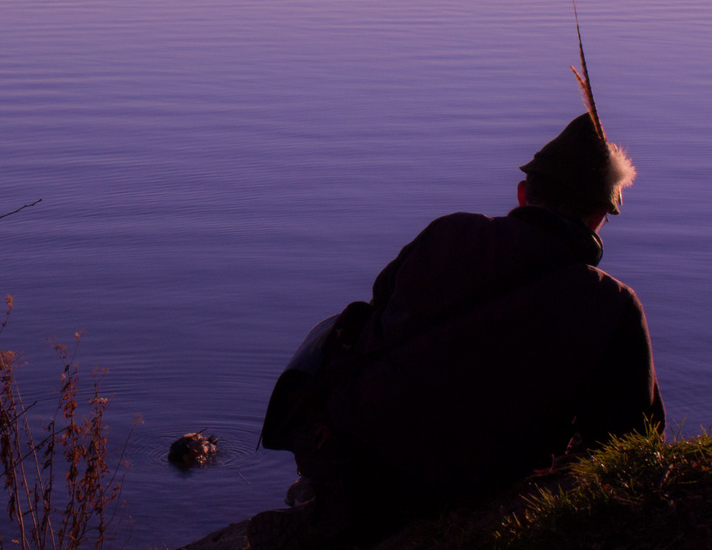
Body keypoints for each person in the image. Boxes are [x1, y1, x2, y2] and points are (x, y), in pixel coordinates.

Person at [252, 109, 664, 548]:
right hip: (447, 489)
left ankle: (322, 511)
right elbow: (635, 441)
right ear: (601, 213)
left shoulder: (449, 231)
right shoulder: (612, 303)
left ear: (524, 194)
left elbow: (379, 307)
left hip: (343, 446)